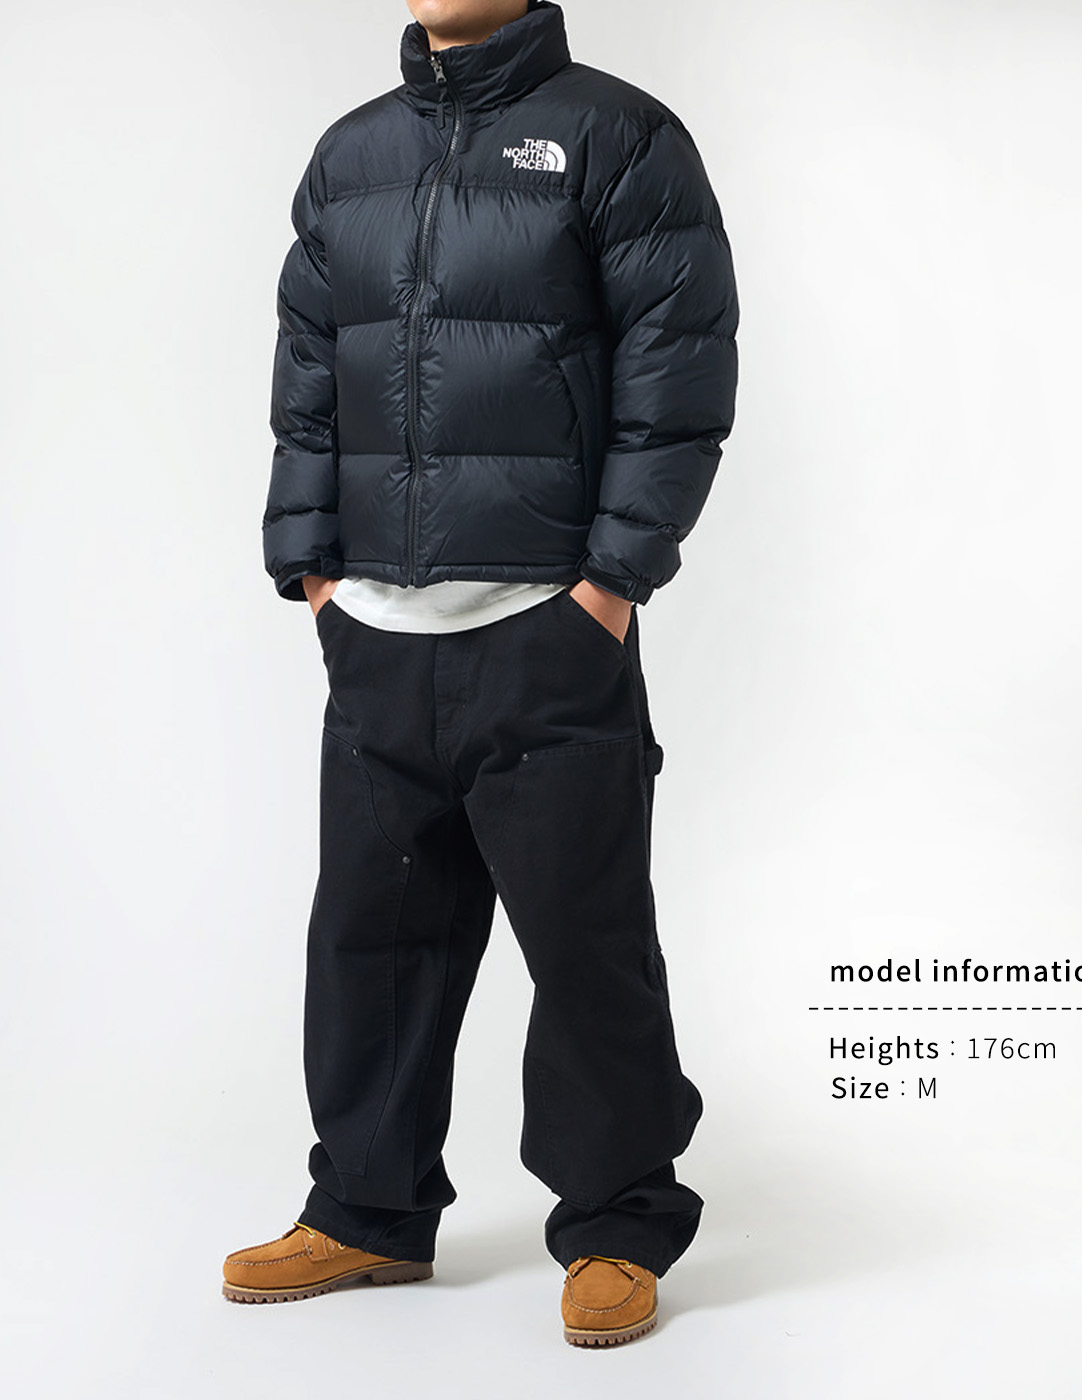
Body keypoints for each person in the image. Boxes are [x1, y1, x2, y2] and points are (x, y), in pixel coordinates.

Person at [222, 0, 738, 1347]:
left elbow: (678, 367)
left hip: (545, 631)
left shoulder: (620, 137)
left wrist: (611, 582)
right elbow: (307, 372)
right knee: (368, 940)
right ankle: (367, 1211)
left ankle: (619, 1220)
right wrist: (312, 570)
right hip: (377, 635)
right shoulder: (350, 156)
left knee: (585, 943)